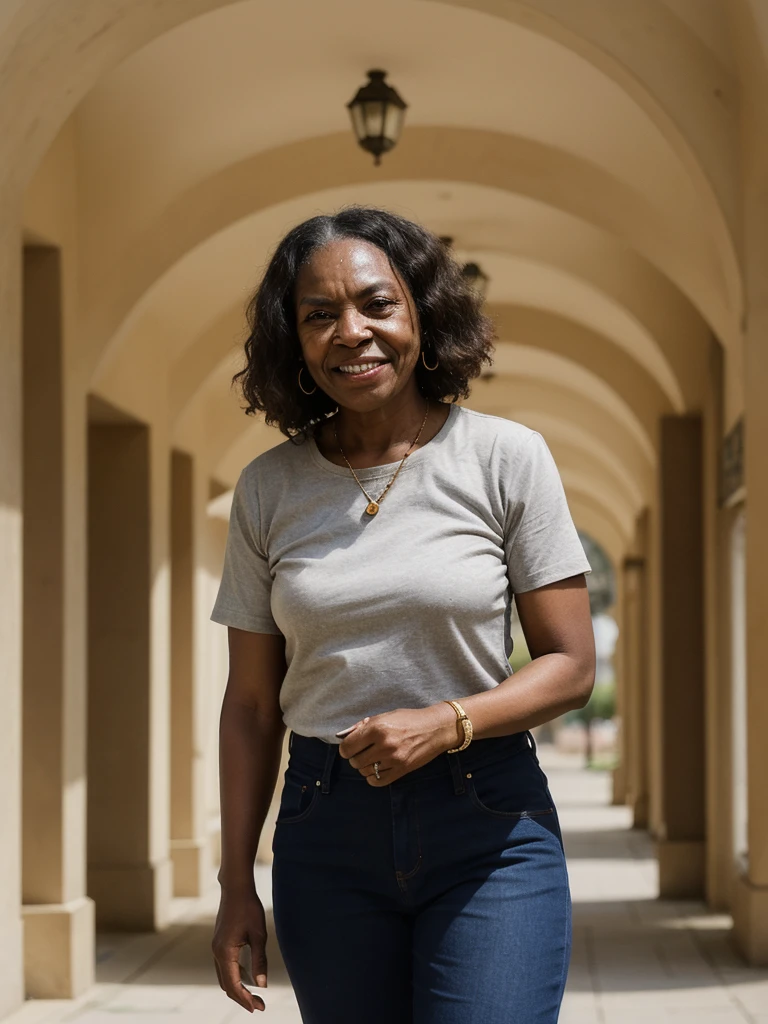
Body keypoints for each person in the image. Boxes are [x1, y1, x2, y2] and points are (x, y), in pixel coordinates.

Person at [210, 206, 595, 1024]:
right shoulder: (268, 490)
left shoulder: (504, 458)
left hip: (486, 822)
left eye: (377, 304)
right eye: (320, 315)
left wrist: (447, 722)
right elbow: (249, 706)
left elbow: (570, 665)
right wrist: (234, 879)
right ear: (295, 339)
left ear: (422, 310)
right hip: (325, 829)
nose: (352, 332)